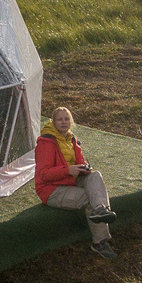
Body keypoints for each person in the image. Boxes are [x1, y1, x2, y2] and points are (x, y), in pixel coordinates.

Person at [34, 106, 118, 258]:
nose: (64, 122)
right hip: (52, 190)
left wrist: (84, 168)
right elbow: (43, 174)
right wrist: (68, 170)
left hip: (70, 181)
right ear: (53, 122)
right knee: (89, 198)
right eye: (60, 119)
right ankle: (99, 243)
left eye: (67, 119)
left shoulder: (72, 139)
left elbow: (79, 162)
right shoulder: (46, 143)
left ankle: (101, 209)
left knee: (95, 176)